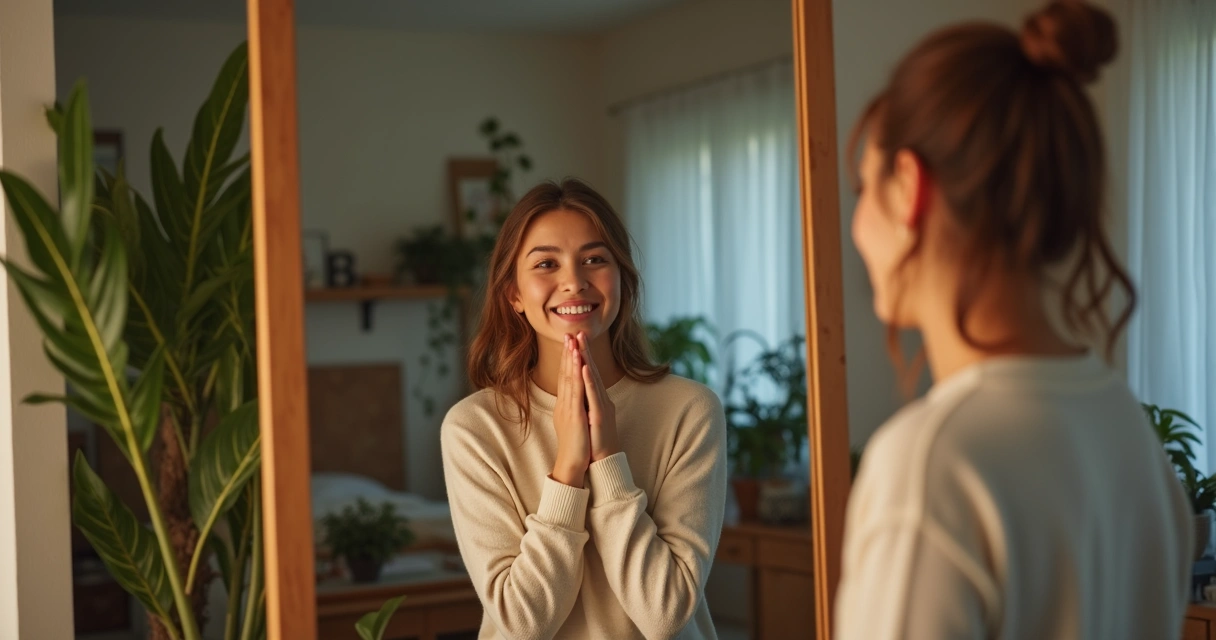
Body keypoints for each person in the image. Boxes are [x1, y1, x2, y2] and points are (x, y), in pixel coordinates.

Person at [835, 1, 1193, 638]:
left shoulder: (932, 466)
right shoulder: (1128, 432)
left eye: (862, 188)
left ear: (909, 188)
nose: (856, 225)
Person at [440, 178, 727, 639]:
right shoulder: (474, 429)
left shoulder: (689, 410)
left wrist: (608, 462)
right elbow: (522, 623)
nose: (574, 281)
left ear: (622, 279)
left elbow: (665, 613)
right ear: (513, 293)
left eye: (595, 259)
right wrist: (568, 471)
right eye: (546, 264)